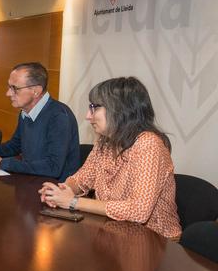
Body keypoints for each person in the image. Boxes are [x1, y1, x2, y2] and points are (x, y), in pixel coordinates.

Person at [38, 77, 181, 240]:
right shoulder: (105, 141)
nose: (88, 116)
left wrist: (73, 202)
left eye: (94, 108)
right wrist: (63, 191)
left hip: (155, 240)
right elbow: (81, 179)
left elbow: (138, 211)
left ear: (120, 109)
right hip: (113, 231)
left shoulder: (149, 144)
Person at [0, 62, 80, 181]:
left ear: (36, 91)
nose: (8, 93)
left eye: (15, 88)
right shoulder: (25, 112)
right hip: (31, 181)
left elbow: (53, 167)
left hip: (55, 188)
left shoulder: (59, 116)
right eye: (9, 87)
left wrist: (4, 163)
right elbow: (15, 146)